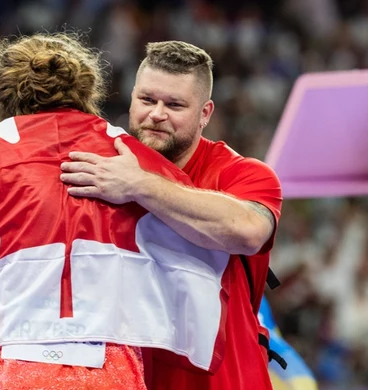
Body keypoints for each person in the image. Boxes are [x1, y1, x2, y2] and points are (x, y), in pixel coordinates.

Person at [0, 33, 238, 390]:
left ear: (2, 95)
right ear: (85, 90)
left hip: (10, 363)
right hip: (108, 366)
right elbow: (203, 237)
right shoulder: (128, 155)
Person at [60, 40, 283, 389]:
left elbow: (249, 230)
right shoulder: (102, 169)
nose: (157, 114)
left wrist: (138, 185)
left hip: (228, 380)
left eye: (175, 105)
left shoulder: (244, 174)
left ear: (205, 113)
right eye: (147, 100)